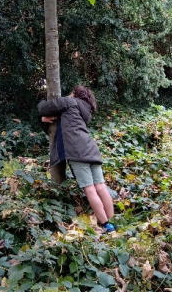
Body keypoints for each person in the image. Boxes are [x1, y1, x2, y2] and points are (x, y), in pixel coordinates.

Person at [37, 85, 116, 233]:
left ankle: (106, 225)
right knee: (100, 186)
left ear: (74, 94)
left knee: (90, 188)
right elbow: (60, 124)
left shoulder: (69, 102)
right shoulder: (84, 112)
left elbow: (44, 107)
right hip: (91, 149)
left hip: (76, 151)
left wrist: (40, 106)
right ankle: (111, 220)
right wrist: (44, 120)